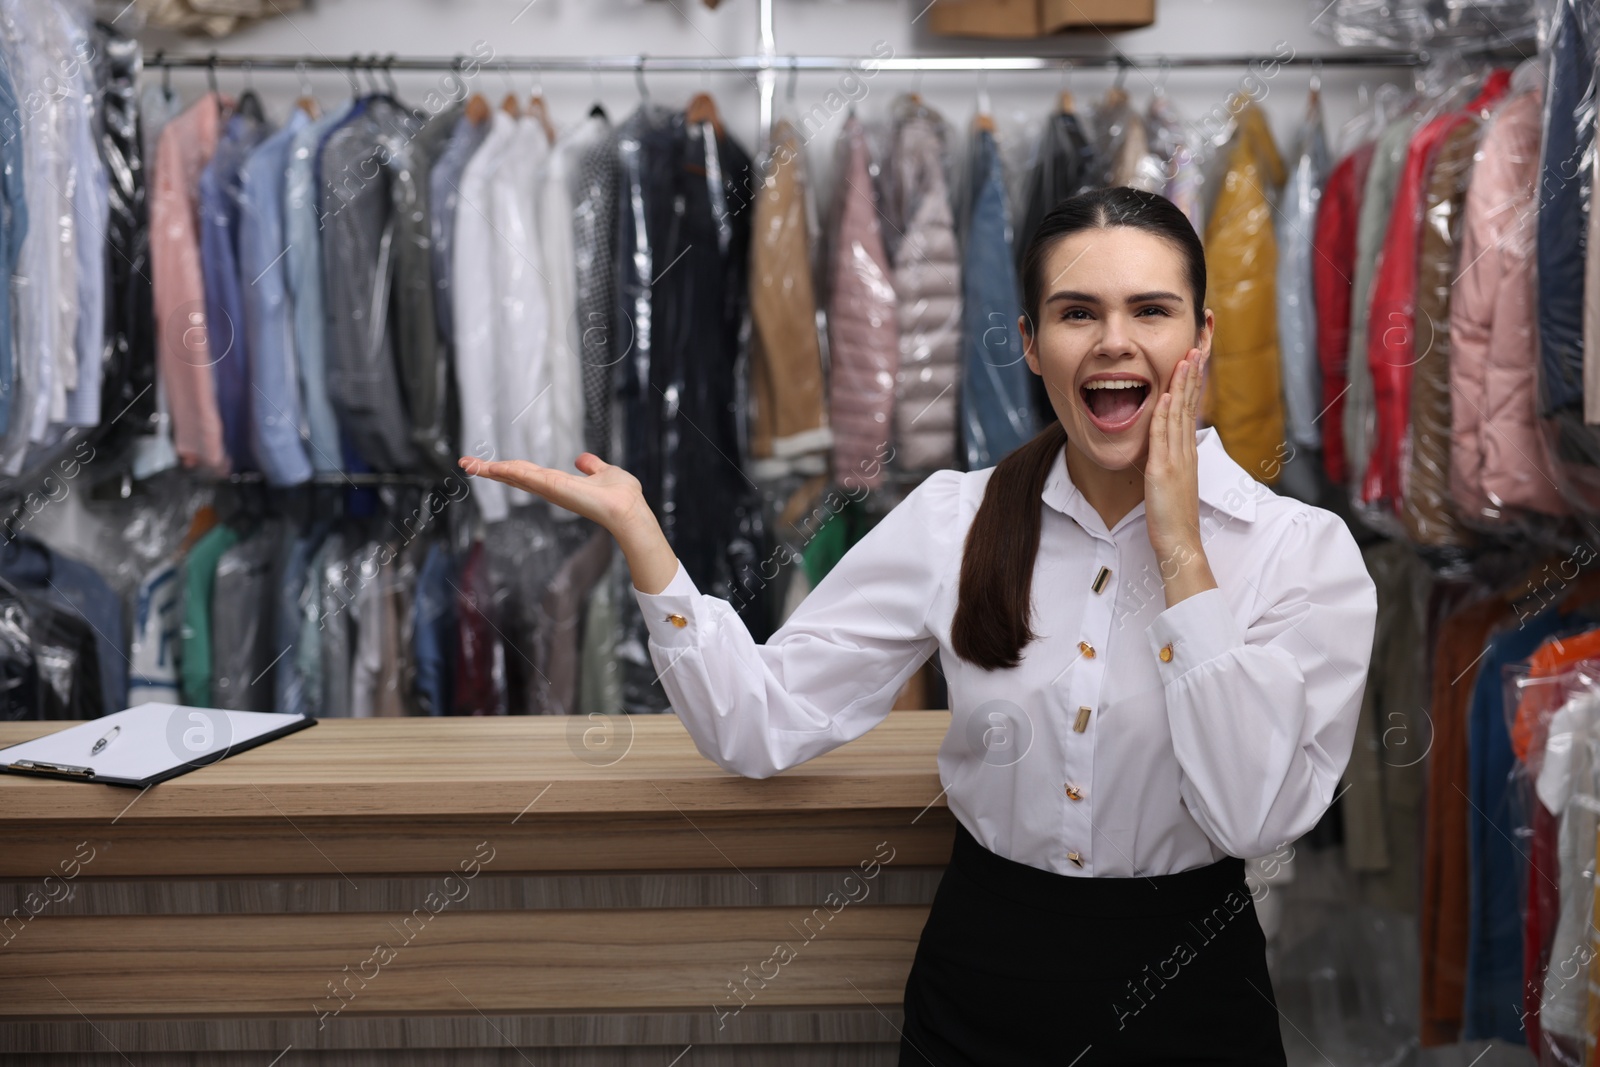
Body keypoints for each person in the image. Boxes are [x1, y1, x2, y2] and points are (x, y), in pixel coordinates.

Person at [460, 186, 1378, 1066]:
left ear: (1202, 336)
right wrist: (643, 537)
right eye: (1075, 313)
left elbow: (1255, 816)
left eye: (1151, 310)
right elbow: (759, 722)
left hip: (1195, 993)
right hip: (982, 984)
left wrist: (1181, 548)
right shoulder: (953, 518)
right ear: (1028, 341)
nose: (1114, 343)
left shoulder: (1302, 552)